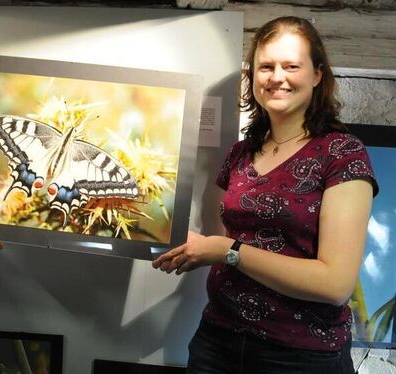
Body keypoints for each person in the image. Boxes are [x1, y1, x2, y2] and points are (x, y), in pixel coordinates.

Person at [152, 16, 378, 374]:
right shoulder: (240, 153)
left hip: (300, 356)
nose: (277, 77)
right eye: (266, 66)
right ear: (253, 77)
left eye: (291, 66)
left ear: (317, 75)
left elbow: (335, 284)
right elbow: (226, 238)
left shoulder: (342, 153)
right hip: (218, 340)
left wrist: (227, 252)